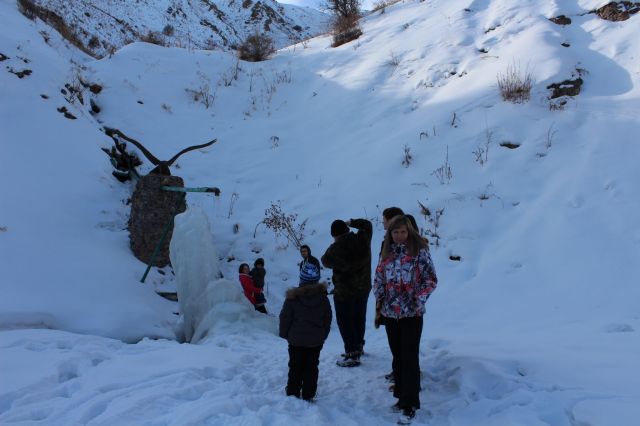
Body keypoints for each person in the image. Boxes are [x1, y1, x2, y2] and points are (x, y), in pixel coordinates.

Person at [374, 215, 437, 425]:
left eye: (402, 231)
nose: (399, 236)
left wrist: (418, 299)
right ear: (390, 234)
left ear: (408, 231)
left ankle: (410, 403)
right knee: (397, 355)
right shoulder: (386, 253)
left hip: (412, 314)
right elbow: (379, 277)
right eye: (395, 232)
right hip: (391, 313)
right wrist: (380, 294)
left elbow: (431, 279)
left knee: (409, 356)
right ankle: (401, 395)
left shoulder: (419, 252)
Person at [321, 218, 372, 367]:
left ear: (334, 235)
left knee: (345, 321)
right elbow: (367, 225)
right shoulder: (362, 238)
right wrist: (351, 222)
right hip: (363, 288)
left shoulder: (335, 249)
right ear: (347, 229)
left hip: (345, 291)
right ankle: (359, 346)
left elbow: (325, 261)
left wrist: (336, 245)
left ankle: (352, 353)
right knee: (359, 317)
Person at [279, 280, 332, 401]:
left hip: (296, 341)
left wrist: (284, 334)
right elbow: (327, 318)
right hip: (315, 341)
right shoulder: (323, 299)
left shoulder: (292, 298)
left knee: (295, 366)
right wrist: (323, 334)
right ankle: (309, 393)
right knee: (312, 367)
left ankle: (293, 392)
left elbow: (285, 317)